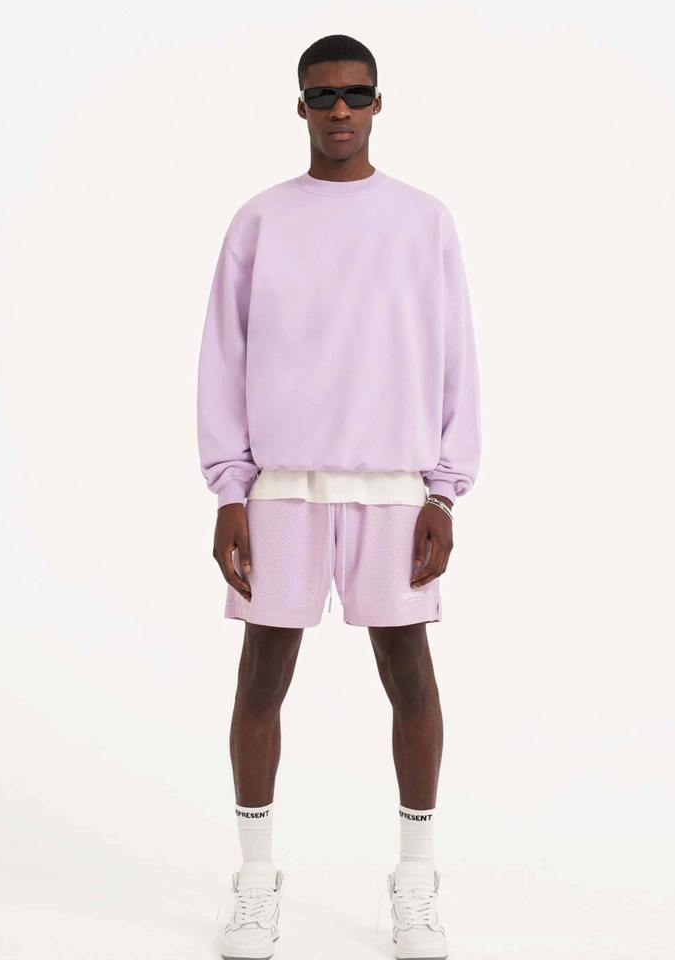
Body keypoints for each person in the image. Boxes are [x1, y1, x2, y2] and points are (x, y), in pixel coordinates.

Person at [196, 33, 481, 960]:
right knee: (260, 678)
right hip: (282, 490)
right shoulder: (260, 221)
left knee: (410, 676)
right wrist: (229, 490)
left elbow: (455, 356)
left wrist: (445, 493)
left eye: (356, 94)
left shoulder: (424, 221)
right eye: (323, 96)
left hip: (395, 489)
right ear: (301, 106)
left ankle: (415, 883)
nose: (341, 110)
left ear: (379, 102)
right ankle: (254, 883)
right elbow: (224, 358)